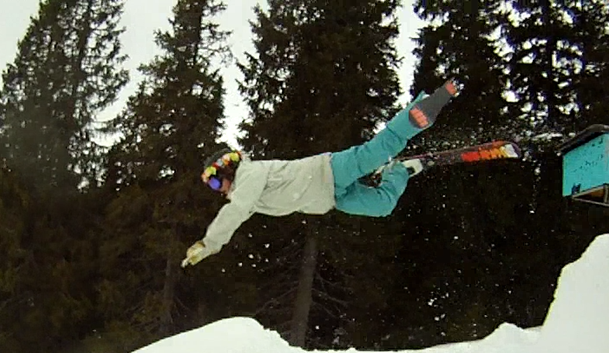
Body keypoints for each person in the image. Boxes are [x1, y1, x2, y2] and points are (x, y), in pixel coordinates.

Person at [181, 80, 459, 268]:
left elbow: (236, 210)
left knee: (377, 151)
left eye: (215, 181)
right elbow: (240, 211)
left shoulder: (249, 174)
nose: (217, 189)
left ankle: (417, 114)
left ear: (228, 168)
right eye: (212, 186)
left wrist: (209, 243)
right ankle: (399, 170)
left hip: (329, 170)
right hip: (331, 198)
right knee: (382, 205)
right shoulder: (247, 197)